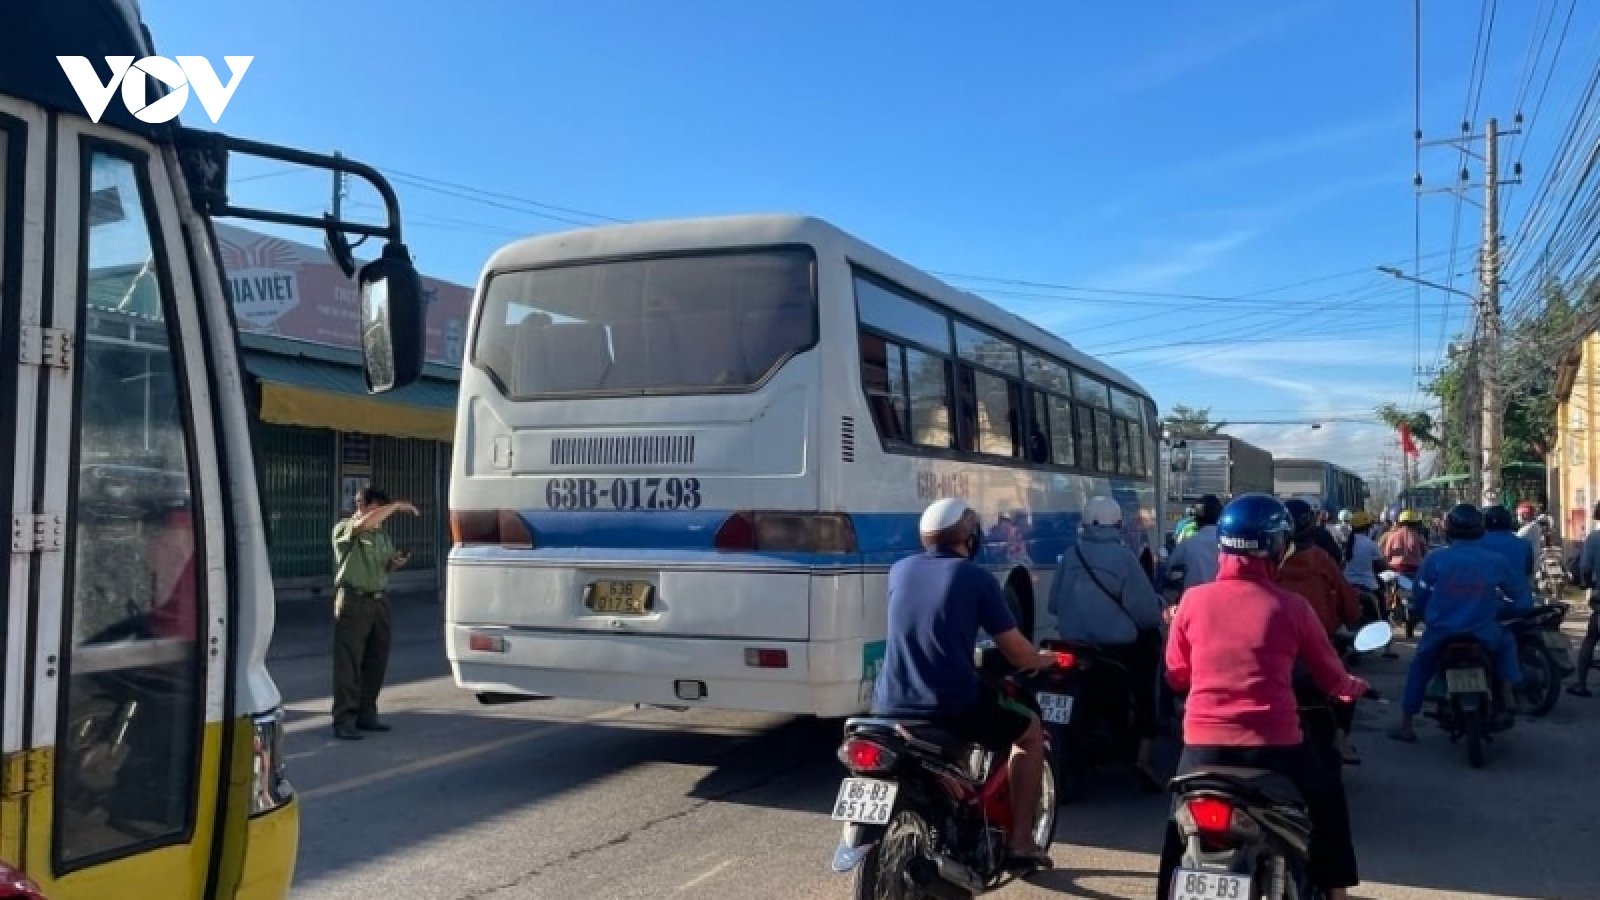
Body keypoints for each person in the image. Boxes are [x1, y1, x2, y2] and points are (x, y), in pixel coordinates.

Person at [1157, 494, 1368, 900]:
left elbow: (1177, 676)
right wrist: (1352, 687)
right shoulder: (1292, 607)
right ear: (1278, 546)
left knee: (1175, 831)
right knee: (1328, 798)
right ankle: (1338, 893)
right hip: (1274, 750)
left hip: (1203, 751)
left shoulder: (1191, 603)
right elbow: (1331, 678)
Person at [872, 498, 1057, 867]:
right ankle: (1021, 841)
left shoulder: (900, 570)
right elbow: (1017, 653)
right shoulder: (975, 578)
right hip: (951, 703)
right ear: (970, 539)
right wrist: (1042, 659)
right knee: (1030, 731)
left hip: (887, 704)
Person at [1048, 496, 1166, 788]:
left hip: (1071, 645)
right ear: (1117, 524)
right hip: (1115, 653)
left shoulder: (1071, 554)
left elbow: (1052, 604)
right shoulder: (1125, 558)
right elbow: (1147, 614)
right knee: (1145, 682)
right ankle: (1142, 753)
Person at [1388, 504, 1531, 742]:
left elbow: (1420, 596)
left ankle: (1406, 725)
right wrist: (1510, 610)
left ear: (1449, 529)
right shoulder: (1496, 560)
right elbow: (1519, 596)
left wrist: (1422, 614)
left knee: (1420, 668)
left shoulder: (1436, 559)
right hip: (1484, 632)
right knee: (1507, 643)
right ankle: (1507, 693)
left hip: (1441, 633)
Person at [1277, 499, 1364, 764]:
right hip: (1320, 645)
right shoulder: (1322, 560)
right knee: (1346, 687)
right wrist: (1352, 619)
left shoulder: (1268, 564)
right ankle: (1340, 735)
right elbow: (1348, 600)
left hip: (1273, 649)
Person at [330, 486, 418, 741]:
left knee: (376, 660)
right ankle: (344, 720)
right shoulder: (346, 529)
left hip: (378, 601)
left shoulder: (381, 537)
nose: (358, 507)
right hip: (354, 600)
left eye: (363, 503)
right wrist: (396, 507)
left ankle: (366, 713)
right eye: (358, 503)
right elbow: (363, 524)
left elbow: (384, 566)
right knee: (349, 664)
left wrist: (395, 562)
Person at [1568, 501, 1600, 699]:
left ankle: (1581, 683)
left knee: (1590, 639)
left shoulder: (1594, 538)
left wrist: (1586, 584)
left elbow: (1585, 568)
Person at [1163, 494, 1222, 594]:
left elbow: (1170, 577)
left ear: (1196, 519)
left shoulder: (1185, 546)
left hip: (1193, 605)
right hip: (1224, 603)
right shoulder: (1230, 547)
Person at [1480, 504, 1536, 594]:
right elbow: (1528, 572)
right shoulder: (1525, 545)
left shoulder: (1479, 544)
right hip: (1521, 601)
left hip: (1490, 602)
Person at [1341, 511, 1386, 623]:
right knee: (1381, 602)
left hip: (1347, 584)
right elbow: (1382, 564)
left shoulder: (1348, 543)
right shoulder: (1370, 544)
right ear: (1367, 528)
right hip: (1368, 584)